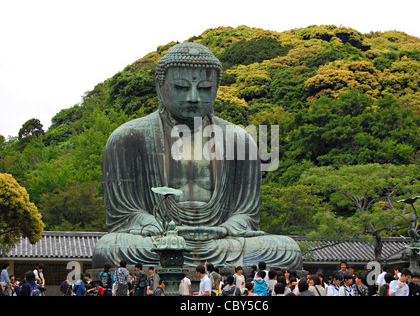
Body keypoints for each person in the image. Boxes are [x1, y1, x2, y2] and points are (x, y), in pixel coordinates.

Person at [91, 42, 302, 270]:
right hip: (159, 240)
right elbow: (126, 214)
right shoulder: (128, 137)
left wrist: (227, 228)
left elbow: (246, 214)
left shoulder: (238, 139)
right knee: (109, 247)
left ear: (216, 90)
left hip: (220, 241)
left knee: (285, 249)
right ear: (159, 86)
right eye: (181, 87)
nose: (193, 97)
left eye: (204, 88)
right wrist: (151, 224)